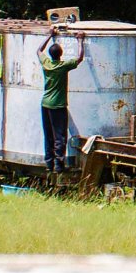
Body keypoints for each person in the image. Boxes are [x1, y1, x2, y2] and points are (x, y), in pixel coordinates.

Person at [38, 31, 88, 177]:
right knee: (60, 136)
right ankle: (59, 166)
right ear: (61, 54)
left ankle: (49, 164)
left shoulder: (46, 63)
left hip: (45, 104)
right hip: (58, 106)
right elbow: (79, 58)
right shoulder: (62, 66)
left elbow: (39, 50)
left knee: (48, 135)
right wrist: (80, 40)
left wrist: (48, 35)